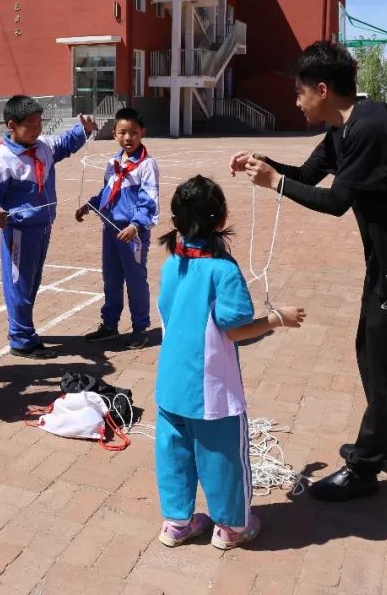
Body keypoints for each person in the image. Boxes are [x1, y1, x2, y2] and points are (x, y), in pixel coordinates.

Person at [231, 40, 387, 501]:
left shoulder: (372, 126)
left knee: (386, 364)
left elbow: (335, 202)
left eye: (299, 93)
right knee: (371, 352)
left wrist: (274, 183)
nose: (297, 102)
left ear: (323, 89)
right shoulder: (342, 128)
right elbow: (309, 176)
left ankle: (365, 468)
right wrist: (266, 165)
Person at [154, 175, 305, 550]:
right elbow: (236, 330)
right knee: (223, 458)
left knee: (174, 454)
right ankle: (233, 526)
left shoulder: (172, 262)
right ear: (220, 219)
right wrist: (277, 319)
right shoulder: (223, 271)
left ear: (176, 220)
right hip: (211, 391)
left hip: (171, 384)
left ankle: (177, 523)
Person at [0, 96, 98, 358]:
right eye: (30, 125)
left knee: (31, 283)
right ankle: (21, 340)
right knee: (19, 284)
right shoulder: (2, 159)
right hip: (19, 231)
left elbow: (64, 144)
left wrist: (82, 130)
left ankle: (24, 330)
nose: (37, 129)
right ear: (12, 125)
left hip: (42, 227)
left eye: (39, 123)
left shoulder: (42, 147)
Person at [76, 108, 159, 349]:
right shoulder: (113, 163)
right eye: (122, 132)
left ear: (142, 133)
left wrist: (136, 225)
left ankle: (140, 328)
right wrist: (89, 206)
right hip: (110, 230)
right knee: (111, 278)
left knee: (135, 280)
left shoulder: (146, 165)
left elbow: (150, 200)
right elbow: (107, 192)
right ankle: (110, 325)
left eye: (133, 133)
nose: (128, 138)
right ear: (114, 134)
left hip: (132, 233)